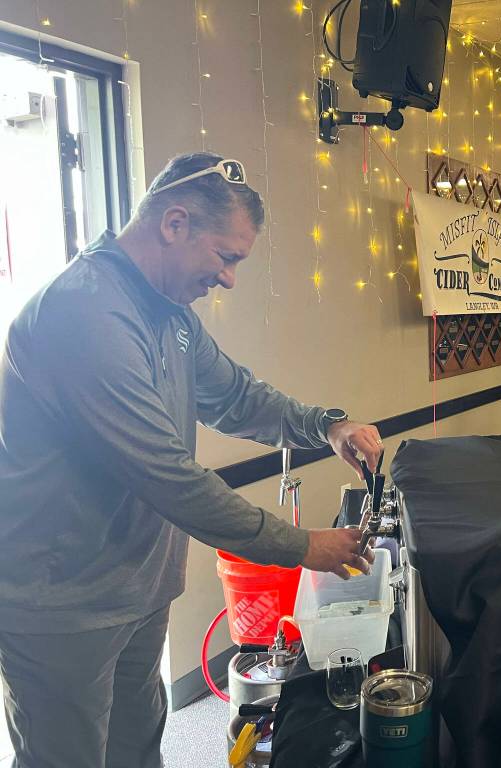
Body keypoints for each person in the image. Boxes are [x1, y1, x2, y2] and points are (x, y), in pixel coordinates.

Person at [0, 152, 384, 768]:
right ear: (174, 223)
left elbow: (234, 396)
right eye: (226, 257)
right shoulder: (82, 313)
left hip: (137, 588)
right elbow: (169, 476)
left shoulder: (172, 314)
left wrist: (326, 425)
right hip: (62, 603)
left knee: (136, 749)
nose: (229, 278)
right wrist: (304, 546)